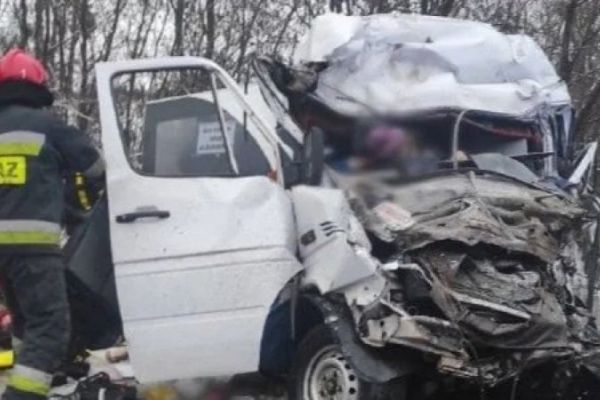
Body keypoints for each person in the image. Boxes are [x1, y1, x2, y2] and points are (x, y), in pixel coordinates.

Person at [0, 49, 104, 400]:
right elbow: (95, 168)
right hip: (33, 249)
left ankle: (27, 379)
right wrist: (77, 204)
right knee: (50, 326)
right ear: (38, 86)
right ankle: (22, 395)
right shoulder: (48, 126)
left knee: (25, 323)